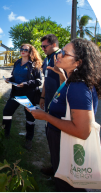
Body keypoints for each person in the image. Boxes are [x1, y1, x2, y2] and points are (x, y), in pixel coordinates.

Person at [27, 38, 101, 193]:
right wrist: (62, 75)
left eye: (64, 53)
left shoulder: (78, 86)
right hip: (62, 140)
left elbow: (82, 131)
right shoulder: (73, 80)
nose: (59, 55)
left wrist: (45, 116)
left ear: (78, 62)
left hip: (67, 143)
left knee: (68, 185)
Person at [2, 44, 43, 150]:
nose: (23, 51)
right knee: (7, 112)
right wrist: (9, 79)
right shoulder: (17, 62)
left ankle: (29, 139)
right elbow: (15, 77)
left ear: (30, 52)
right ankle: (5, 134)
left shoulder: (34, 64)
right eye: (21, 49)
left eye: (26, 49)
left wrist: (26, 84)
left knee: (30, 117)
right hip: (16, 94)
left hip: (28, 95)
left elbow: (38, 81)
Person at [37, 34, 63, 177]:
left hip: (60, 103)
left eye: (44, 46)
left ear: (54, 44)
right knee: (50, 134)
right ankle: (54, 166)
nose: (42, 49)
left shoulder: (61, 57)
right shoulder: (47, 59)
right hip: (48, 101)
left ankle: (60, 172)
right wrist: (42, 96)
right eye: (41, 46)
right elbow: (46, 80)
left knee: (58, 136)